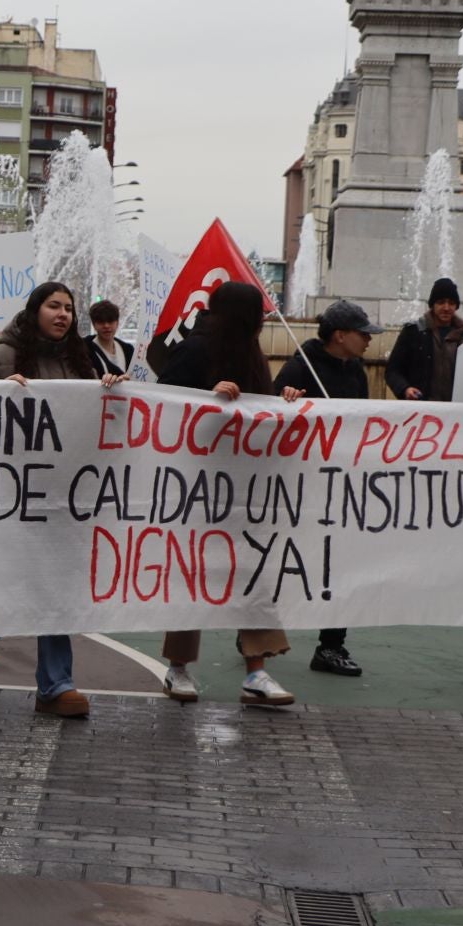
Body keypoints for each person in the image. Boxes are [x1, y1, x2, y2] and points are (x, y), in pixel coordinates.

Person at [0, 282, 125, 719]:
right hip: (12, 494)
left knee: (52, 586)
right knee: (15, 585)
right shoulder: (1, 358)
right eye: (53, 306)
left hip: (63, 496)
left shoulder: (84, 360)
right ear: (34, 311)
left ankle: (52, 684)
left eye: (68, 308)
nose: (62, 314)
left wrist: (113, 390)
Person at [155, 282, 306, 705]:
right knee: (195, 573)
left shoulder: (251, 354)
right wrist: (208, 400)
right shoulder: (194, 350)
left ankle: (256, 670)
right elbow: (162, 404)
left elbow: (261, 410)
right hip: (196, 486)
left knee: (251, 572)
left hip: (244, 487)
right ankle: (178, 667)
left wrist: (284, 401)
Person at [274, 300, 382, 677]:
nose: (369, 339)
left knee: (340, 563)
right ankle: (256, 630)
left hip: (340, 483)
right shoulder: (300, 367)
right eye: (362, 332)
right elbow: (270, 416)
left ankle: (331, 646)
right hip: (300, 484)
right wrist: (286, 401)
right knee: (284, 560)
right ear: (340, 336)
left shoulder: (356, 370)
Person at [386, 277, 463, 402]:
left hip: (457, 412)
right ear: (432, 304)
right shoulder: (413, 332)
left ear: (456, 306)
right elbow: (393, 371)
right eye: (441, 302)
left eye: (451, 303)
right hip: (421, 410)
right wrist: (405, 389)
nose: (446, 307)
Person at [85, 299, 134, 376]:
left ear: (117, 323)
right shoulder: (85, 349)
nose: (106, 326)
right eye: (101, 322)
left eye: (110, 321)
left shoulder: (128, 350)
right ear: (94, 325)